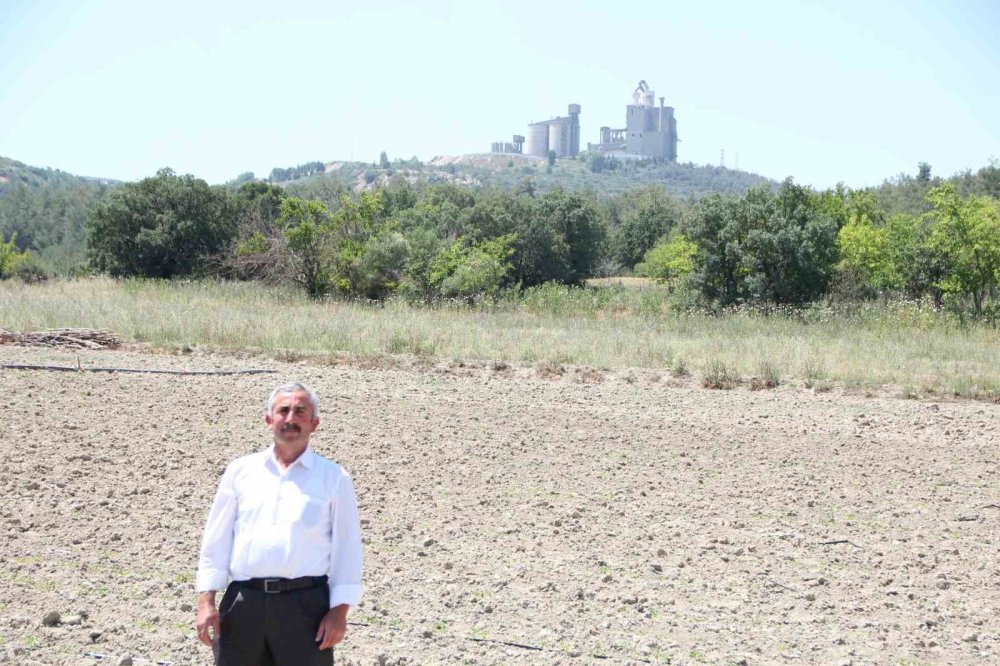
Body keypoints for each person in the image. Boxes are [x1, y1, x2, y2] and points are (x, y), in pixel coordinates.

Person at [195, 382, 363, 665]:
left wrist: (339, 613)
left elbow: (347, 550)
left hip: (306, 609)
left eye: (300, 411)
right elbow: (217, 540)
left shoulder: (334, 478)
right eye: (283, 410)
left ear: (314, 423)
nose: (290, 418)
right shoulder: (240, 472)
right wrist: (206, 602)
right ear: (268, 420)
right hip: (243, 605)